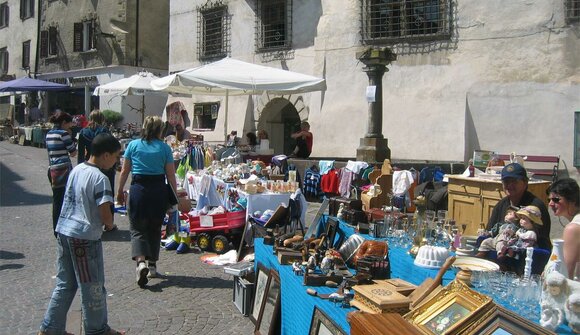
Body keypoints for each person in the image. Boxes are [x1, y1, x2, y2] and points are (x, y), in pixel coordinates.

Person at [38, 133, 125, 335]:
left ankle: (50, 328)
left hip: (64, 231)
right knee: (92, 286)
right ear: (105, 155)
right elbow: (105, 212)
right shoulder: (100, 178)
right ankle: (97, 329)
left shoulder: (77, 169)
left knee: (65, 283)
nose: (116, 161)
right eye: (115, 156)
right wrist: (110, 225)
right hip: (84, 238)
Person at [116, 116, 177, 287]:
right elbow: (171, 176)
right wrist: (174, 198)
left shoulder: (133, 145)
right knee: (155, 227)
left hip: (139, 190)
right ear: (160, 130)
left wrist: (119, 191)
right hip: (158, 191)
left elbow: (124, 171)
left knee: (137, 228)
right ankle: (152, 266)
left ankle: (140, 262)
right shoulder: (164, 148)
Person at [487, 163, 552, 251]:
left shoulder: (534, 207)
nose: (509, 185)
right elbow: (490, 230)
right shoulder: (501, 205)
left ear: (525, 183)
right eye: (506, 181)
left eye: (514, 181)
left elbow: (540, 240)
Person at [78, 110, 117, 231]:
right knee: (107, 194)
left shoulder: (84, 132)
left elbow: (80, 153)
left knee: (90, 193)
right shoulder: (105, 131)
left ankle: (91, 218)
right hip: (105, 165)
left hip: (90, 164)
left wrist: (81, 166)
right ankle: (109, 223)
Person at [46, 111, 77, 237]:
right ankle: (62, 228)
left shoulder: (48, 134)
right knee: (65, 199)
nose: (70, 126)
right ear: (64, 122)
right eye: (69, 124)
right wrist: (72, 138)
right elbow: (73, 152)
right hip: (63, 169)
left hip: (52, 168)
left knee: (57, 199)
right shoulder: (63, 134)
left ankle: (56, 229)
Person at [547, 178, 580, 279]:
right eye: (549, 200)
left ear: (572, 200)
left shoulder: (573, 228)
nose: (550, 204)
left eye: (556, 200)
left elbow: (565, 274)